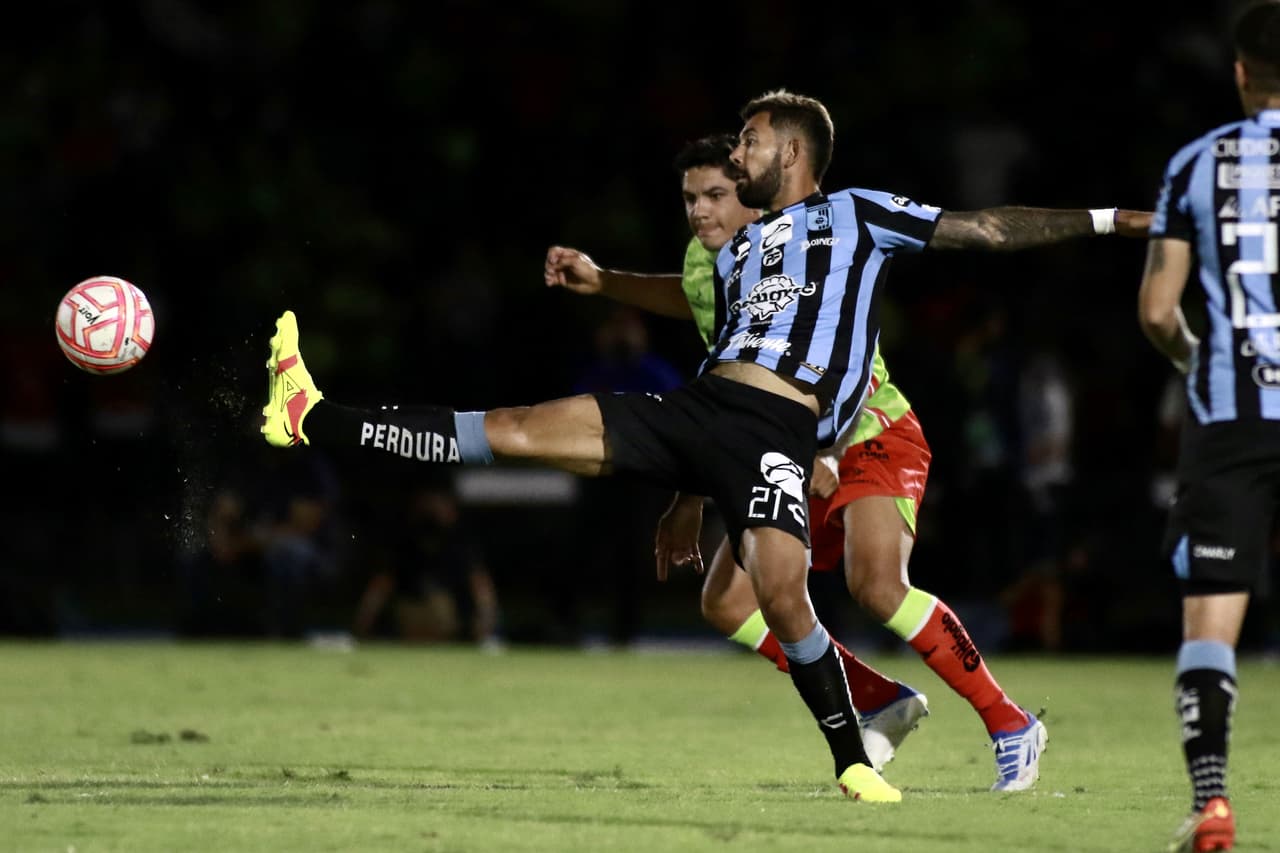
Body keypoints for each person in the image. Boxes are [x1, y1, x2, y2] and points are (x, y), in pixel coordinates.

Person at [260, 89, 1149, 803]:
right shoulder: (731, 257)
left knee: (852, 585)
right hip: (711, 417)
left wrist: (1112, 220)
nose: (730, 161)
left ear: (789, 153)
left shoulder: (855, 216)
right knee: (536, 444)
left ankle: (971, 728)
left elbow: (986, 229)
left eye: (746, 146)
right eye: (707, 178)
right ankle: (312, 413)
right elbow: (712, 346)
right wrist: (685, 486)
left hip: (843, 430)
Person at [545, 132, 1062, 787]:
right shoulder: (712, 263)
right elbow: (714, 362)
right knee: (728, 602)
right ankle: (879, 696)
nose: (700, 212)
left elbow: (835, 360)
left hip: (865, 429)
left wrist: (824, 443)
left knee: (876, 585)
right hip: (784, 444)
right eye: (689, 199)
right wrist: (605, 282)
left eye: (715, 196)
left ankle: (1010, 721)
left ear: (754, 198)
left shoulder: (806, 245)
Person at [1139, 4, 1280, 848]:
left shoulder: (1195, 163)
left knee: (1212, 621)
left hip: (1232, 414)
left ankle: (1214, 802)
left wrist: (1196, 358)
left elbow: (1159, 311)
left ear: (1239, 71)